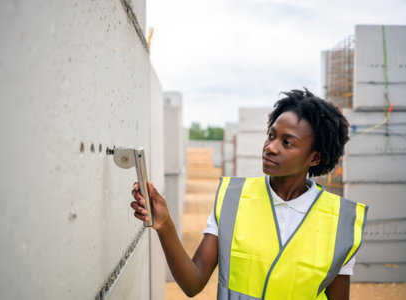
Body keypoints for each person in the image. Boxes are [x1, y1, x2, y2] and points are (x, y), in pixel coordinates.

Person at [131, 88, 368, 300]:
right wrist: (165, 226)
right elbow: (193, 283)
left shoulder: (341, 223)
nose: (270, 147)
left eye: (288, 143)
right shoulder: (232, 198)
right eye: (271, 135)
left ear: (314, 157)